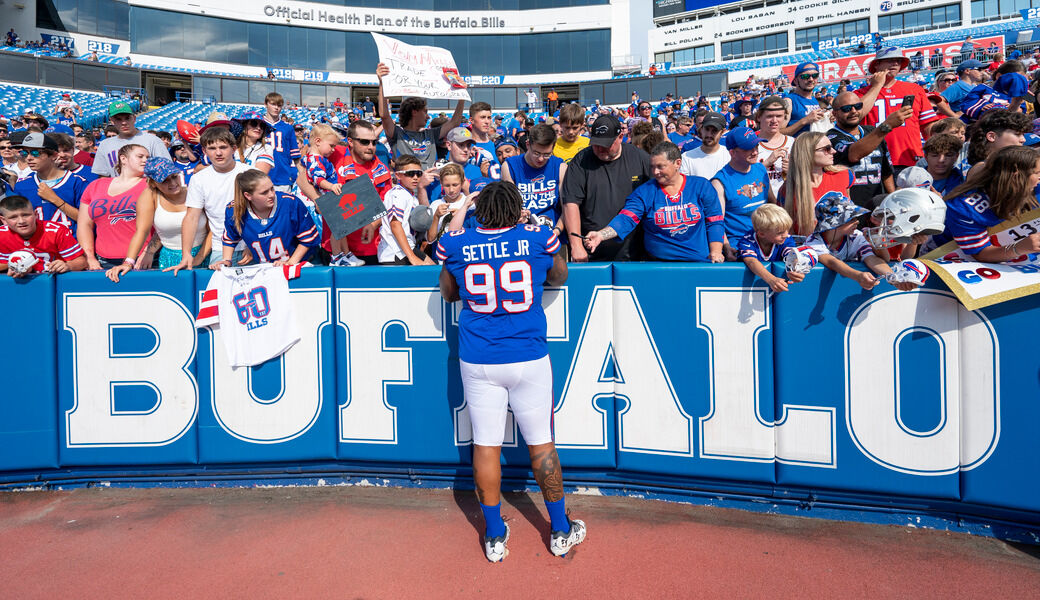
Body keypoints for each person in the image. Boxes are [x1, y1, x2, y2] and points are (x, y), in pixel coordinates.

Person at [435, 180, 583, 563]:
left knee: (485, 444)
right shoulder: (537, 236)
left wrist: (461, 211)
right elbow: (560, 275)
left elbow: (448, 289)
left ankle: (495, 533)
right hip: (528, 354)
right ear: (517, 207)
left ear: (480, 209)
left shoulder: (457, 242)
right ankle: (560, 529)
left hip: (479, 356)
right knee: (542, 443)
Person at [584, 141, 724, 262]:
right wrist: (601, 235)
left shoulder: (701, 186)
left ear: (677, 163)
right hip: (658, 264)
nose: (655, 172)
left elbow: (714, 221)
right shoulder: (645, 191)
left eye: (660, 166)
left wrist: (716, 251)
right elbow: (627, 218)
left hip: (697, 262)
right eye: (652, 167)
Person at [560, 114, 652, 262]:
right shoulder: (581, 161)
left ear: (621, 137)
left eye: (606, 144)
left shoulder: (640, 158)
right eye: (596, 144)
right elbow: (570, 203)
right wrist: (576, 245)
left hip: (634, 249)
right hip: (592, 248)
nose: (600, 149)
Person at [106, 158, 209, 282]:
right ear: (153, 183)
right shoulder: (150, 195)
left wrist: (199, 258)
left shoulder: (195, 191)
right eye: (164, 181)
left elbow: (213, 230)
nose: (172, 183)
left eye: (174, 176)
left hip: (204, 255)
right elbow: (142, 231)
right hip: (168, 258)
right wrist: (128, 262)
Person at [169, 127, 251, 273]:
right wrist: (186, 254)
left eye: (223, 147)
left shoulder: (251, 173)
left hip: (252, 248)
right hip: (220, 249)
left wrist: (253, 244)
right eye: (212, 148)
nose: (218, 153)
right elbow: (191, 217)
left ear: (233, 149)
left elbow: (266, 213)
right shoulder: (198, 179)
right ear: (205, 152)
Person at [938, 145, 1040, 262]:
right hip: (948, 258)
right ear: (1016, 176)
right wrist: (1019, 248)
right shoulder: (964, 208)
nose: (1039, 177)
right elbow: (980, 253)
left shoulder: (1032, 186)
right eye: (1037, 173)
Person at [856, 48, 941, 171]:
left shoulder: (914, 89)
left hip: (910, 158)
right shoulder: (859, 94)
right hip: (874, 161)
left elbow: (928, 127)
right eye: (890, 60)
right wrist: (877, 86)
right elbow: (857, 114)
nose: (895, 63)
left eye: (898, 61)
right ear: (877, 65)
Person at [216, 169, 319, 268]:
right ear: (248, 196)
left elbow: (308, 239)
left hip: (301, 264)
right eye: (264, 192)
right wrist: (226, 261)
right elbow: (230, 238)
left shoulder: (290, 203)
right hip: (264, 269)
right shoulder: (234, 210)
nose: (271, 195)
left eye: (272, 188)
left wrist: (290, 263)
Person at [806, 193, 907, 290]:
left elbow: (872, 258)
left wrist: (894, 277)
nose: (857, 221)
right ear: (833, 224)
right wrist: (858, 276)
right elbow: (832, 262)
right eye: (850, 219)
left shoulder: (855, 236)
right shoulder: (814, 241)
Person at [377, 63, 465, 171]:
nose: (428, 117)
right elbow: (384, 115)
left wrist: (462, 94)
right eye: (425, 112)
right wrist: (382, 83)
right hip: (408, 186)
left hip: (431, 185)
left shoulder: (431, 134)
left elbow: (454, 122)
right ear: (414, 112)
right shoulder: (397, 134)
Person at [826, 90, 905, 209]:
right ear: (835, 113)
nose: (853, 111)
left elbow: (886, 172)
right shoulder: (830, 137)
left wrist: (892, 198)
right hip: (850, 207)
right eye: (846, 108)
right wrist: (886, 126)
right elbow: (853, 154)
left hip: (878, 205)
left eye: (858, 106)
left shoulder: (872, 132)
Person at [77, 144, 150, 270]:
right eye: (140, 156)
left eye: (148, 157)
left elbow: (162, 224)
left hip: (142, 260)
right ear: (123, 159)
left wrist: (149, 252)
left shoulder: (151, 185)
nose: (145, 160)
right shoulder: (96, 186)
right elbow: (84, 225)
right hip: (103, 261)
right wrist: (89, 256)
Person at [330, 119, 392, 266]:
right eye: (365, 142)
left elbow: (387, 205)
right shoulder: (335, 154)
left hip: (369, 247)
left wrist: (373, 225)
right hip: (335, 247)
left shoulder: (381, 169)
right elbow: (302, 176)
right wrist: (316, 199)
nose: (371, 147)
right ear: (350, 141)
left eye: (374, 142)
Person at [711, 127, 773, 253]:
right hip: (739, 242)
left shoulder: (760, 169)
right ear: (732, 152)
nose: (755, 152)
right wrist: (727, 247)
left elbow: (772, 202)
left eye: (756, 146)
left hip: (767, 238)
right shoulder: (719, 182)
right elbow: (717, 222)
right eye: (748, 149)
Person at [778, 132, 854, 235]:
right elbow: (787, 229)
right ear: (808, 153)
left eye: (831, 147)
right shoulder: (788, 189)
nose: (834, 151)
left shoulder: (844, 175)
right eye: (827, 148)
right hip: (809, 247)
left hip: (844, 243)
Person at [12, 132, 86, 234]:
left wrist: (54, 199)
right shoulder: (22, 186)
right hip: (36, 247)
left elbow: (87, 220)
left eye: (35, 153)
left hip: (70, 247)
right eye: (25, 153)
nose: (28, 158)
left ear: (54, 155)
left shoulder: (78, 182)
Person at [0, 194, 85, 276]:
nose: (21, 221)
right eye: (13, 217)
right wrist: (17, 265)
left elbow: (82, 262)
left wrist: (68, 266)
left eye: (26, 215)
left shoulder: (56, 231)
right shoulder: (1, 234)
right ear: (3, 220)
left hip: (53, 282)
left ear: (36, 214)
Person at [502, 123, 567, 228]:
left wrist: (557, 231)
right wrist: (517, 216)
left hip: (554, 231)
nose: (541, 159)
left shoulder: (560, 167)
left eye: (547, 154)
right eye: (536, 153)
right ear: (528, 145)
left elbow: (567, 208)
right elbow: (510, 206)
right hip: (523, 232)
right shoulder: (510, 166)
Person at [380, 155, 434, 265]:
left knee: (432, 270)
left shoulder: (410, 196)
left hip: (407, 248)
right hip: (395, 252)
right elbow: (395, 224)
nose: (415, 177)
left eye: (418, 173)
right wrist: (412, 257)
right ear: (398, 175)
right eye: (410, 173)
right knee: (431, 273)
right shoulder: (398, 194)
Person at [92, 101, 170, 178]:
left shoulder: (153, 140)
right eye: (118, 119)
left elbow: (166, 169)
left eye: (127, 118)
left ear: (134, 118)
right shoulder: (105, 145)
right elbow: (103, 176)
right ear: (112, 121)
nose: (124, 122)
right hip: (118, 189)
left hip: (147, 189)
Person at [738, 204, 802, 292]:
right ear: (761, 234)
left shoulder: (786, 239)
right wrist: (771, 280)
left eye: (787, 229)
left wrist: (796, 269)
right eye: (780, 232)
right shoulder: (747, 241)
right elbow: (751, 261)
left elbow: (791, 256)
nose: (786, 235)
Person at [755, 96, 794, 196]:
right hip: (759, 204)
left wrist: (793, 171)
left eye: (779, 116)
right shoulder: (750, 145)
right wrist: (766, 163)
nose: (774, 120)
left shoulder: (793, 143)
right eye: (769, 116)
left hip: (787, 203)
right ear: (759, 117)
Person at [783, 62, 829, 136]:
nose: (811, 79)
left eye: (815, 75)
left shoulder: (814, 100)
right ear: (796, 81)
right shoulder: (788, 101)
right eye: (805, 76)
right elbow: (778, 133)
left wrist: (826, 119)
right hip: (798, 146)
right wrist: (805, 120)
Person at [679, 112, 729, 179]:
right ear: (701, 129)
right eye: (707, 129)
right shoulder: (686, 158)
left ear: (722, 132)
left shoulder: (730, 156)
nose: (709, 134)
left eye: (714, 131)